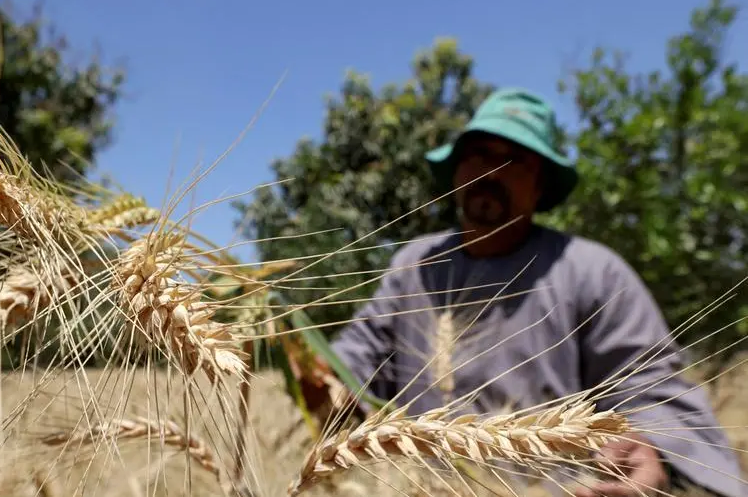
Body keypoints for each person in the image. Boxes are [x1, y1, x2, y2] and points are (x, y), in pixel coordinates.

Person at [298, 88, 743, 497]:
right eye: (479, 154)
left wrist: (648, 449)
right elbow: (356, 362)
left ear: (540, 185)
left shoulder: (592, 271)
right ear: (457, 170)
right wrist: (315, 373)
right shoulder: (414, 267)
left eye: (515, 160)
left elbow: (648, 384)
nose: (491, 171)